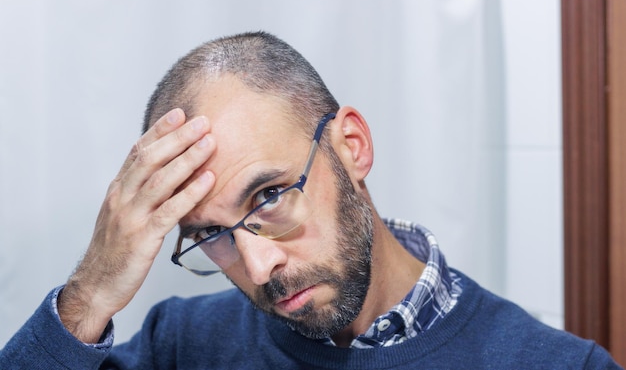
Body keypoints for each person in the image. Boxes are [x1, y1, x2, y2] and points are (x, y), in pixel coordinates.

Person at [0, 32, 621, 369]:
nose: (258, 268)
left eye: (269, 195)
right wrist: (90, 293)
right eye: (212, 234)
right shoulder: (183, 344)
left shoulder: (557, 365)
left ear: (351, 145)